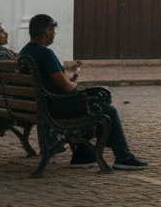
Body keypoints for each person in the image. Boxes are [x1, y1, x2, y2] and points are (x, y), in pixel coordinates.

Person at [17, 14, 147, 170]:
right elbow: (65, 87)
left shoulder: (24, 52)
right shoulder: (46, 54)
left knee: (96, 103)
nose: (54, 35)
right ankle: (122, 156)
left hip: (37, 104)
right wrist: (75, 82)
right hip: (53, 107)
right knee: (106, 109)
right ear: (46, 32)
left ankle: (84, 154)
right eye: (53, 31)